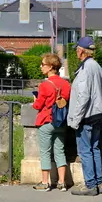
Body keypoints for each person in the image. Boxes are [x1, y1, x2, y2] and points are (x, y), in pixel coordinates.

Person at [67, 37, 102, 196]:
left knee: (85, 150)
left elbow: (83, 96)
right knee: (95, 148)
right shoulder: (96, 66)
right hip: (97, 113)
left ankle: (90, 185)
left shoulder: (85, 68)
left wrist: (76, 118)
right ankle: (99, 182)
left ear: (81, 50)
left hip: (86, 115)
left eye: (77, 49)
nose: (76, 51)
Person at [32, 54, 71, 192]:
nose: (41, 67)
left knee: (45, 152)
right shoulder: (66, 84)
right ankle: (62, 182)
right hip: (61, 122)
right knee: (60, 151)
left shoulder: (44, 85)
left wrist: (35, 99)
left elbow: (38, 105)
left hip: (46, 121)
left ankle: (45, 182)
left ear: (50, 67)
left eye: (43, 64)